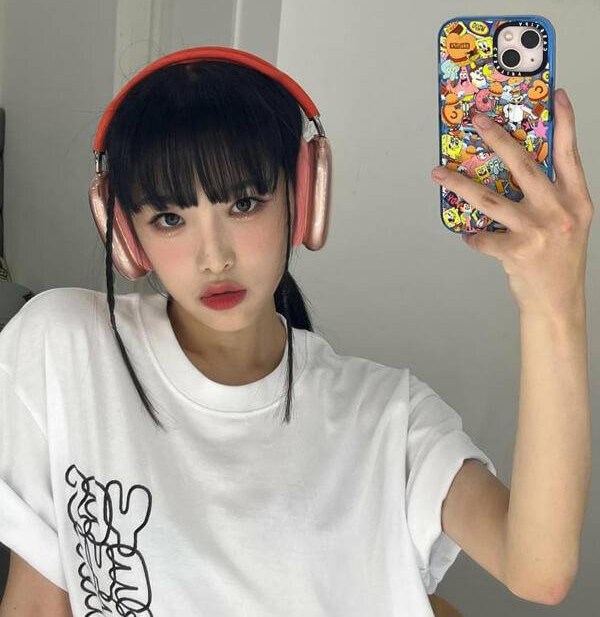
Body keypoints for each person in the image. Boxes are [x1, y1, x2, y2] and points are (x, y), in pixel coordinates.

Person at [0, 53, 497, 615]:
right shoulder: (62, 347)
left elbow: (537, 568)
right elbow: (35, 603)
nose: (214, 257)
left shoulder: (384, 412)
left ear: (303, 197)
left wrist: (549, 289)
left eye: (243, 204)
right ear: (125, 233)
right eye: (169, 218)